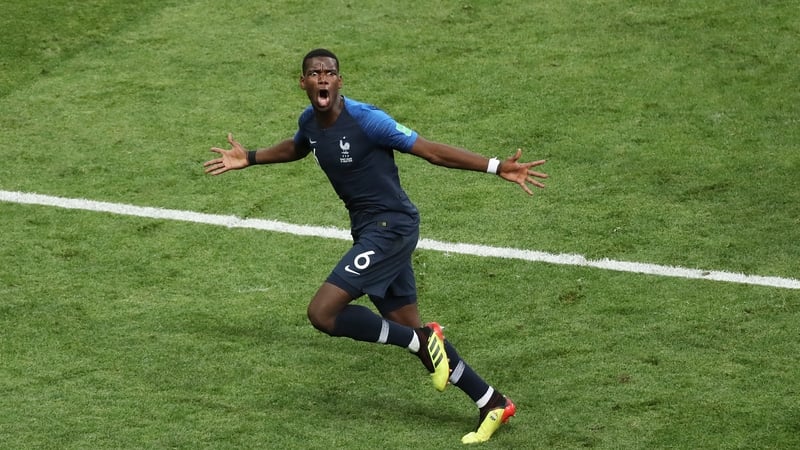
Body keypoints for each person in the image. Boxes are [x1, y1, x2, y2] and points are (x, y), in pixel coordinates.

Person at [204, 48, 547, 444]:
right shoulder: (310, 122)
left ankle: (423, 339)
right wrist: (250, 156)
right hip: (370, 230)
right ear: (303, 83)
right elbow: (300, 146)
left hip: (391, 228)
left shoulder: (368, 121)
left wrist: (494, 166)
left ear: (339, 81)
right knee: (406, 326)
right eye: (314, 74)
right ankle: (492, 402)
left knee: (323, 313)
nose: (322, 79)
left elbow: (431, 150)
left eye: (329, 73)